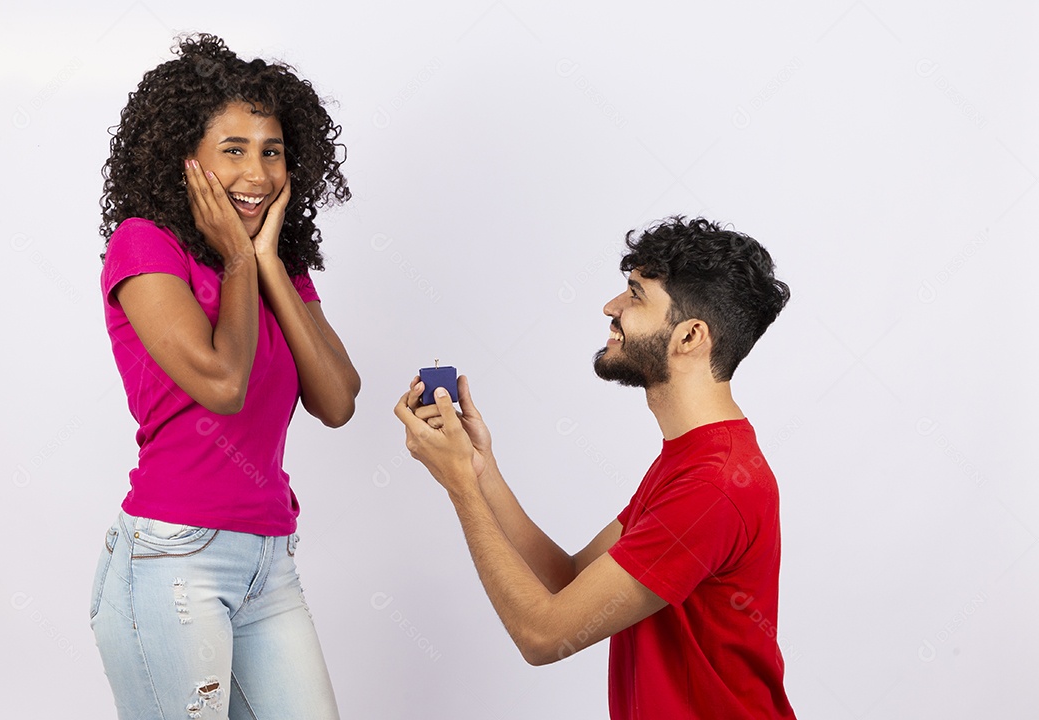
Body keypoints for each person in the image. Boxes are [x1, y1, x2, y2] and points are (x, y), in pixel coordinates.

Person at [395, 216, 796, 719]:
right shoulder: (694, 458)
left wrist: (460, 489)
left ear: (691, 336)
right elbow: (568, 580)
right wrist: (479, 470)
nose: (611, 307)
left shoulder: (714, 485)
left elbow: (543, 636)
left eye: (636, 294)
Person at [90, 34, 358, 720]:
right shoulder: (144, 244)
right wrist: (238, 260)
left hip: (270, 561)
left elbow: (337, 399)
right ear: (186, 159)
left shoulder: (280, 269)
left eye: (271, 151)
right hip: (173, 559)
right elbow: (221, 382)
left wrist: (266, 263)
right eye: (232, 150)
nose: (257, 172)